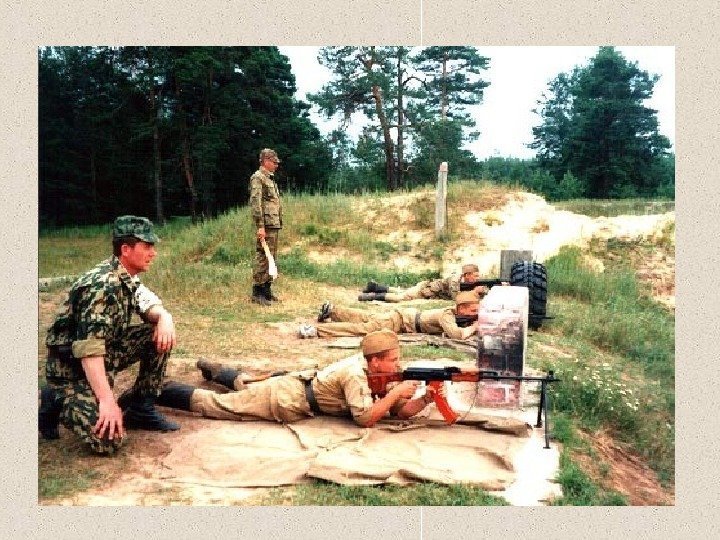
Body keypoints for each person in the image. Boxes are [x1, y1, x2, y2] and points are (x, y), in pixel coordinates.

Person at [39, 215, 179, 455]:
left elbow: (146, 302)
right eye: (147, 246)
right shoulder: (102, 285)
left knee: (156, 334)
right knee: (108, 440)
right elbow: (89, 349)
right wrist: (107, 401)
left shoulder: (125, 275)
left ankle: (141, 407)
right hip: (72, 370)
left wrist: (164, 317)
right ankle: (56, 398)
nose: (153, 253)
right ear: (126, 249)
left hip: (105, 353)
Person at [157, 330, 438, 428]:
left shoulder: (381, 373)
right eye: (393, 359)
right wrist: (396, 392)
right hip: (286, 398)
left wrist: (426, 398)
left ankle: (217, 371)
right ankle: (159, 390)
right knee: (221, 405)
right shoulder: (355, 374)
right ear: (375, 361)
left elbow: (399, 412)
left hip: (295, 385)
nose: (398, 365)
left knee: (246, 385)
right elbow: (364, 418)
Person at [299, 291, 481, 340]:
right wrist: (474, 327)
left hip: (401, 318)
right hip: (399, 321)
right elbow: (457, 335)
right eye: (473, 311)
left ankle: (333, 310)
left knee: (367, 317)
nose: (475, 314)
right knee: (363, 329)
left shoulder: (453, 315)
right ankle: (315, 330)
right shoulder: (446, 314)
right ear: (462, 308)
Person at [249, 148, 283, 306]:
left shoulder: (270, 179)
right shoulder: (258, 178)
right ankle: (257, 291)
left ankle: (266, 289)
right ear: (266, 161)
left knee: (271, 257)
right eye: (274, 162)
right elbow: (256, 203)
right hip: (266, 225)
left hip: (273, 224)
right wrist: (260, 226)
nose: (276, 165)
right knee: (263, 256)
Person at [359, 263, 489, 302]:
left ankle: (375, 286)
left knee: (402, 291)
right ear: (467, 275)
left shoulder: (473, 282)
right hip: (425, 290)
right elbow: (457, 298)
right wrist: (474, 292)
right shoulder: (455, 280)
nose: (477, 279)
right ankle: (372, 296)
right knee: (401, 298)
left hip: (429, 291)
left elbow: (485, 291)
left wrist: (484, 291)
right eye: (475, 276)